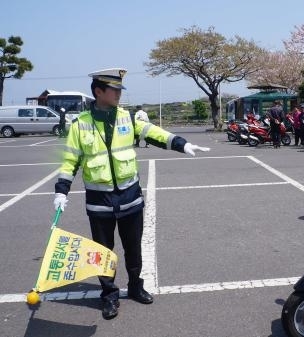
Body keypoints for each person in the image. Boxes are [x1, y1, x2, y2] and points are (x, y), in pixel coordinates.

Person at [52, 68, 210, 320]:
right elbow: (70, 160)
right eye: (114, 90)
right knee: (103, 252)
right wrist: (62, 191)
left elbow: (154, 133)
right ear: (98, 91)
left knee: (133, 248)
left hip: (130, 199)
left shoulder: (127, 118)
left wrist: (182, 143)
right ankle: (109, 296)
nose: (118, 94)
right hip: (99, 203)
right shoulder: (80, 124)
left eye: (119, 89)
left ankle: (136, 285)